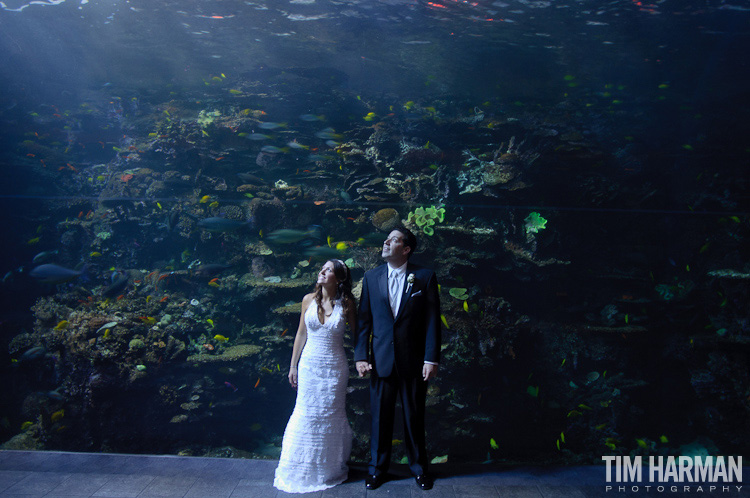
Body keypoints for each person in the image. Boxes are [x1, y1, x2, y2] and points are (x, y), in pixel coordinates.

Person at [354, 225, 441, 491]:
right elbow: (364, 322)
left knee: (414, 417)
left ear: (406, 249)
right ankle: (377, 470)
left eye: (393, 240)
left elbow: (432, 322)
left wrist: (431, 359)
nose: (385, 243)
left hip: (413, 361)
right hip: (380, 361)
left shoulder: (424, 277)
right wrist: (360, 356)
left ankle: (419, 469)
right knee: (380, 418)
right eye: (386, 239)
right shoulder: (371, 277)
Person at [274, 259, 357, 493]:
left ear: (339, 278)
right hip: (309, 366)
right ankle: (299, 468)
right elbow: (301, 334)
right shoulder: (307, 300)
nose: (321, 271)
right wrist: (293, 366)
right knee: (306, 412)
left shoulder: (347, 303)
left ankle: (327, 469)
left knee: (330, 414)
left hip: (335, 368)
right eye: (322, 268)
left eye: (328, 269)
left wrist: (365, 359)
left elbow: (358, 335)